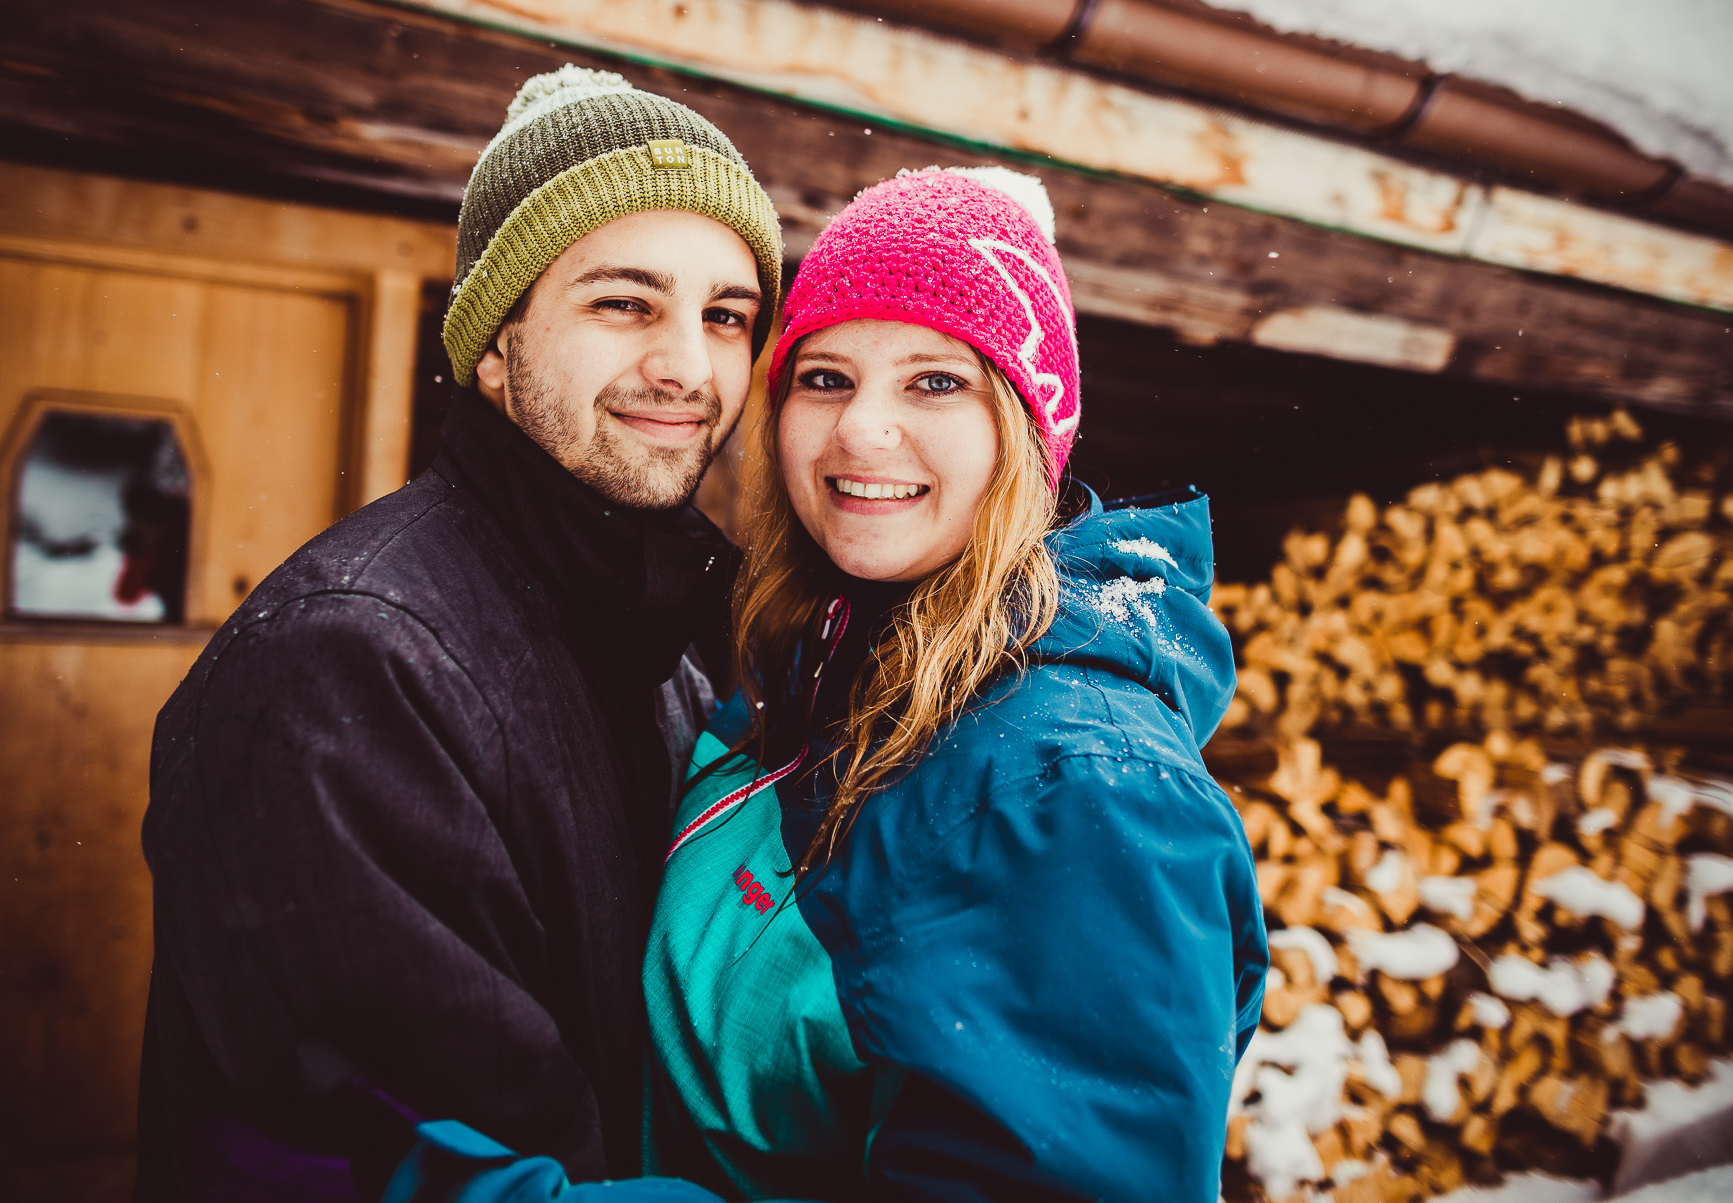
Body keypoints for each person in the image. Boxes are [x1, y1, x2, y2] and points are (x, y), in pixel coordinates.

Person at [384, 166, 1269, 1202]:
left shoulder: (1073, 785)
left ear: (1029, 424)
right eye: (825, 377)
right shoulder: (811, 683)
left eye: (935, 380)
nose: (860, 430)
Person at [136, 65, 785, 1202]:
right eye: (623, 301)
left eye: (725, 316)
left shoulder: (664, 658)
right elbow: (427, 1156)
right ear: (495, 345)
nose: (689, 366)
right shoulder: (345, 662)